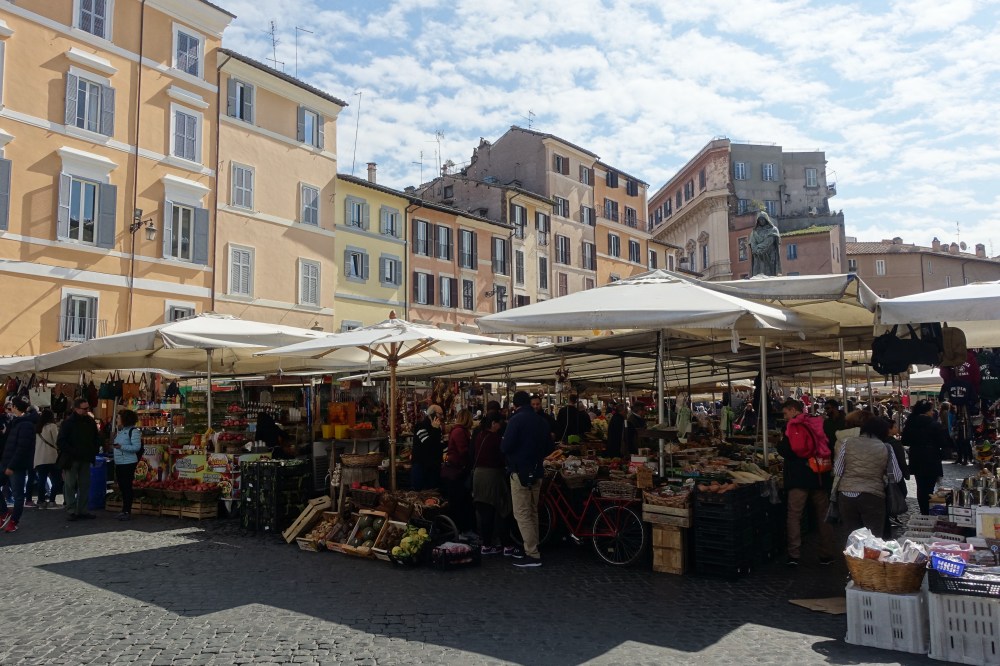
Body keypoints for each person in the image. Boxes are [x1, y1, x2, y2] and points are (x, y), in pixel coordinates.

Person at [776, 398, 835, 566]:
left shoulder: (791, 427)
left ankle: (794, 554)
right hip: (818, 475)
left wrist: (780, 444)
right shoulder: (818, 423)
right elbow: (828, 446)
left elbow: (788, 451)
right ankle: (827, 553)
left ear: (794, 410)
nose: (785, 416)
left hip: (798, 477)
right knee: (823, 515)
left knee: (794, 515)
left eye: (786, 412)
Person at [501, 390, 554, 568]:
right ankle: (533, 547)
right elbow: (549, 447)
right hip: (537, 471)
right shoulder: (542, 421)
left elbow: (506, 446)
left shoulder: (516, 420)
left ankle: (532, 554)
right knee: (532, 512)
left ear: (515, 405)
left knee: (522, 514)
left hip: (520, 472)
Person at [835, 417, 903, 539]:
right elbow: (897, 476)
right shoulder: (886, 447)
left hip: (846, 495)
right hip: (873, 496)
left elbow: (838, 470)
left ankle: (852, 558)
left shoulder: (847, 442)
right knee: (873, 539)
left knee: (852, 538)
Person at [471, 412, 516, 556]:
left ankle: (486, 545)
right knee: (503, 510)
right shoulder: (495, 439)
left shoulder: (480, 436)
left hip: (478, 476)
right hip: (493, 477)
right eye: (499, 423)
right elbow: (502, 457)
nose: (500, 426)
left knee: (485, 512)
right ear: (493, 424)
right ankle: (506, 545)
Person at [57, 397, 101, 521]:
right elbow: (60, 441)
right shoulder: (68, 423)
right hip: (72, 459)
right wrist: (73, 451)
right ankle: (71, 509)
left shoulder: (90, 421)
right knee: (70, 484)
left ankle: (82, 509)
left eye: (88, 408)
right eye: (84, 408)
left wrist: (95, 448)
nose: (87, 410)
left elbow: (96, 437)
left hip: (86, 457)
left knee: (85, 484)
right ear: (76, 409)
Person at [903, 400, 948, 515]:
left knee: (920, 486)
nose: (933, 412)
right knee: (929, 487)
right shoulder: (934, 424)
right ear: (927, 411)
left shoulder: (910, 423)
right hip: (931, 457)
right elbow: (943, 443)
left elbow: (905, 440)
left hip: (916, 457)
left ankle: (923, 510)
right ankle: (928, 510)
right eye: (931, 410)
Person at [1, 396, 38, 533]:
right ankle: (4, 513)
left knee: (18, 495)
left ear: (15, 407)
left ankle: (14, 520)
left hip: (16, 465)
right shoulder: (16, 422)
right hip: (7, 462)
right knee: (16, 494)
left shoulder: (25, 424)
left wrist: (12, 465)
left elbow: (22, 448)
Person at [441, 408, 475, 532]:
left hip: (457, 470)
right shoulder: (460, 432)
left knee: (460, 501)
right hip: (456, 472)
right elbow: (463, 451)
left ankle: (461, 528)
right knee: (459, 502)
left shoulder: (459, 431)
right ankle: (460, 529)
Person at [111, 410, 143, 521]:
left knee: (126, 487)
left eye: (118, 418)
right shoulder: (121, 431)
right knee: (122, 487)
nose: (117, 420)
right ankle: (124, 510)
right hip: (119, 462)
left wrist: (121, 447)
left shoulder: (134, 431)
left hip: (128, 462)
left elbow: (136, 447)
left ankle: (127, 510)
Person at [33, 408, 61, 509]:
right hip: (51, 457)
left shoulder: (38, 428)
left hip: (40, 458)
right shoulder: (52, 426)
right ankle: (52, 500)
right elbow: (57, 441)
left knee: (42, 480)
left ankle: (41, 501)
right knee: (56, 480)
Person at [412, 404, 443, 491]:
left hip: (433, 468)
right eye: (440, 414)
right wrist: (435, 430)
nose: (441, 417)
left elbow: (439, 445)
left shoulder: (437, 427)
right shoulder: (420, 426)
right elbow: (428, 445)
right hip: (421, 468)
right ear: (432, 414)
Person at [749, 210, 782, 276]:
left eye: (763, 219)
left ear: (766, 219)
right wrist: (755, 249)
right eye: (760, 219)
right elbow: (752, 242)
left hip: (769, 254)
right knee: (758, 273)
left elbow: (769, 241)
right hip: (758, 255)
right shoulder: (754, 231)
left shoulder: (773, 230)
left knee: (769, 273)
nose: (762, 221)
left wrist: (759, 248)